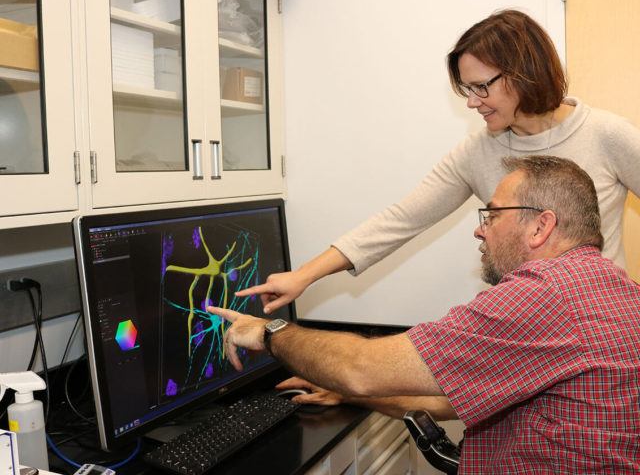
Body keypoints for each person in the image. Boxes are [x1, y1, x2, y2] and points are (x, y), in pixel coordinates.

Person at [209, 156, 640, 473]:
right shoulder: (610, 285)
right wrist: (350, 393)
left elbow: (359, 367)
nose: (480, 227)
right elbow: (447, 398)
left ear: (540, 226)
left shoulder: (543, 295)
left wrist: (270, 331)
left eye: (491, 213)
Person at [236, 9, 640, 316]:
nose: (471, 101)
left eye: (482, 86)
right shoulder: (478, 150)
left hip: (595, 324)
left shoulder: (607, 134)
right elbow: (400, 219)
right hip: (521, 328)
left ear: (525, 75)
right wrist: (303, 276)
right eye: (467, 88)